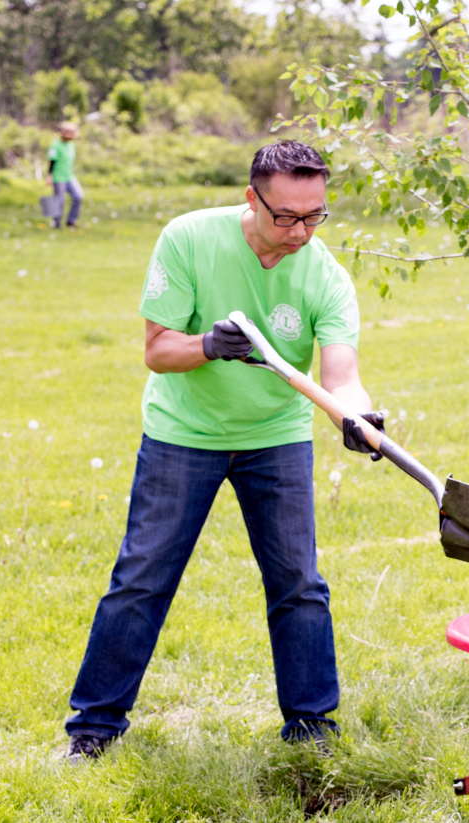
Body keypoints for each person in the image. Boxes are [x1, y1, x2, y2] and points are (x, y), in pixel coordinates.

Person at [63, 140, 384, 761]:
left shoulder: (324, 275)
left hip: (276, 437)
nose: (299, 231)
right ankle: (94, 730)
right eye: (285, 216)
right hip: (184, 432)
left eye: (314, 216)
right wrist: (209, 344)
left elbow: (340, 374)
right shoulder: (188, 239)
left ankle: (312, 732)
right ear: (252, 199)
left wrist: (357, 413)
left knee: (299, 583)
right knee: (142, 578)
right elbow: (158, 350)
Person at [45, 121, 84, 229]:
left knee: (78, 196)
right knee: (59, 201)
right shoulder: (56, 145)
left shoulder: (71, 145)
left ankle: (71, 221)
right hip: (58, 177)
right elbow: (52, 161)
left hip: (69, 176)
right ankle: (56, 224)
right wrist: (49, 176)